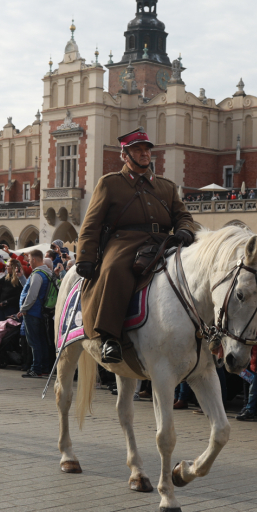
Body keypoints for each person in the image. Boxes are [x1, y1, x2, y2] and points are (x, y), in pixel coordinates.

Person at [74, 128, 194, 364]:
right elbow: (91, 223)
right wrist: (85, 257)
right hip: (123, 243)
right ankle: (110, 338)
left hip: (162, 243)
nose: (144, 154)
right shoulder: (110, 183)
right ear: (124, 155)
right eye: (137, 150)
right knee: (114, 271)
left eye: (146, 149)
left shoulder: (167, 187)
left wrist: (185, 230)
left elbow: (184, 216)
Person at [18, 250, 53, 378]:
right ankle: (44, 368)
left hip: (33, 312)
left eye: (28, 260)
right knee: (41, 341)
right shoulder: (46, 273)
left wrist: (23, 309)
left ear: (33, 259)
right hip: (40, 312)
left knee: (34, 342)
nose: (28, 263)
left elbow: (32, 295)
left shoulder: (38, 274)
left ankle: (36, 368)